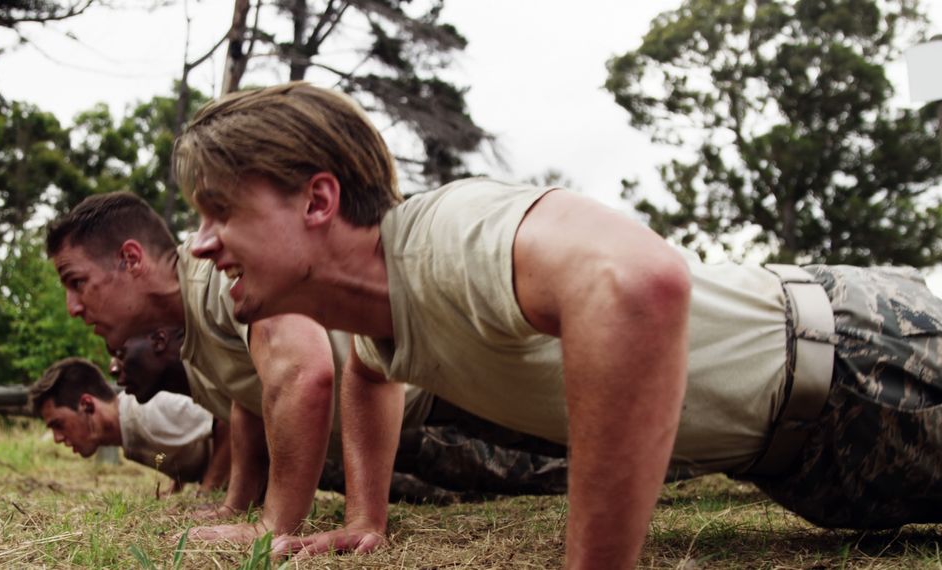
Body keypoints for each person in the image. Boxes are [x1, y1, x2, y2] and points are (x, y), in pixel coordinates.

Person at [170, 81, 942, 569]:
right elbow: (371, 372)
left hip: (874, 359)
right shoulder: (378, 317)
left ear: (317, 202)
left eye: (220, 212)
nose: (201, 245)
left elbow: (640, 281)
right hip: (816, 476)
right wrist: (368, 518)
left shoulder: (447, 233)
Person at [45, 192, 569, 543]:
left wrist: (275, 524)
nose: (73, 306)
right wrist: (236, 504)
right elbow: (251, 400)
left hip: (434, 387)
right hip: (409, 403)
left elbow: (304, 371)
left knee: (601, 437)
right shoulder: (192, 325)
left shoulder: (216, 276)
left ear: (131, 259)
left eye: (76, 282)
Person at [114, 324, 570, 504]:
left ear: (158, 342)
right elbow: (249, 414)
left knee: (523, 446)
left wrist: (226, 495)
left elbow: (234, 426)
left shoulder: (206, 356)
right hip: (355, 437)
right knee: (474, 480)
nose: (115, 370)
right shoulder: (199, 377)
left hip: (402, 407)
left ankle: (621, 469)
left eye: (118, 352)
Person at [28, 357, 230, 494]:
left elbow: (227, 420)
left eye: (58, 424)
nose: (57, 438)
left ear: (87, 404)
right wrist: (177, 485)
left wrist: (208, 491)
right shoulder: (128, 428)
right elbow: (182, 438)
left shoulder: (151, 407)